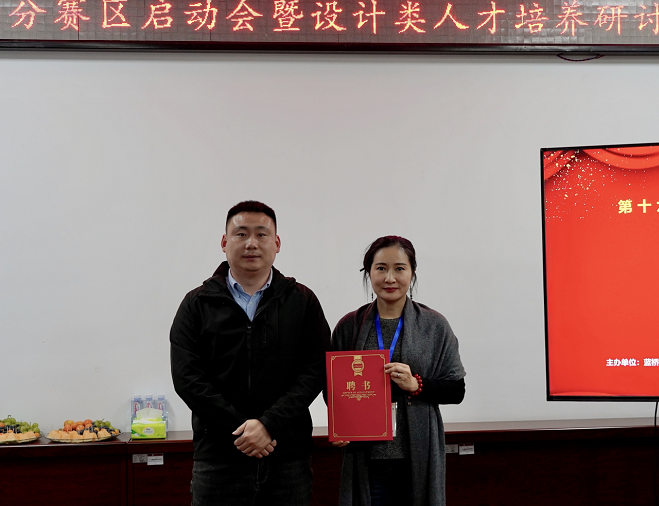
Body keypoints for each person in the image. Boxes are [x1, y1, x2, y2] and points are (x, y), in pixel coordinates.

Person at [170, 200, 331, 506]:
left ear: (277, 243)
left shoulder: (302, 301)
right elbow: (187, 378)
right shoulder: (197, 304)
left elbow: (315, 371)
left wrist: (269, 424)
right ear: (224, 242)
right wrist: (242, 430)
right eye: (241, 234)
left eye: (261, 234)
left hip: (287, 456)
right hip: (219, 457)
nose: (251, 243)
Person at [330, 236, 466, 506]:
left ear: (412, 272)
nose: (389, 278)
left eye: (399, 268)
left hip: (416, 456)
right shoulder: (349, 326)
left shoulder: (435, 326)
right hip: (366, 458)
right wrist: (341, 425)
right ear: (369, 273)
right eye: (381, 268)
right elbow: (333, 386)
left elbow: (456, 389)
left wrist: (417, 385)